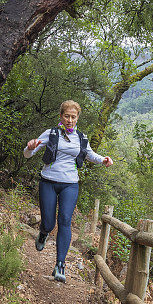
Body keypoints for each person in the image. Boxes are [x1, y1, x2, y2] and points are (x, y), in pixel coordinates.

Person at [23, 100, 113, 283]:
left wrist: (103, 160)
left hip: (70, 184)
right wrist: (30, 148)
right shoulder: (51, 133)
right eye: (67, 116)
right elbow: (28, 153)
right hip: (48, 181)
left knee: (65, 221)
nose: (70, 120)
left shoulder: (81, 137)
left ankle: (60, 264)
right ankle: (44, 231)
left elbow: (90, 154)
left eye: (73, 117)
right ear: (61, 116)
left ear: (77, 117)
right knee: (49, 222)